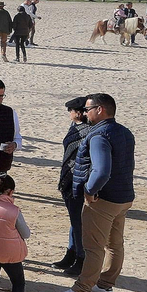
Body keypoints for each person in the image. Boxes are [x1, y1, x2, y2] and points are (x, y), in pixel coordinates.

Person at [50, 93, 135, 292]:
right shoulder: (124, 132)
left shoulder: (99, 135)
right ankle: (105, 286)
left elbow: (101, 171)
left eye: (88, 109)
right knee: (115, 244)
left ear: (100, 110)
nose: (85, 113)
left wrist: (89, 190)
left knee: (94, 247)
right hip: (123, 197)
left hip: (103, 200)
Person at [54, 97, 91, 276]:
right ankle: (71, 254)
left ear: (78, 113)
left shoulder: (86, 132)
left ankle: (81, 258)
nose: (69, 113)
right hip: (71, 179)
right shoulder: (77, 128)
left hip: (78, 181)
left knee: (78, 222)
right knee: (74, 221)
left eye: (71, 110)